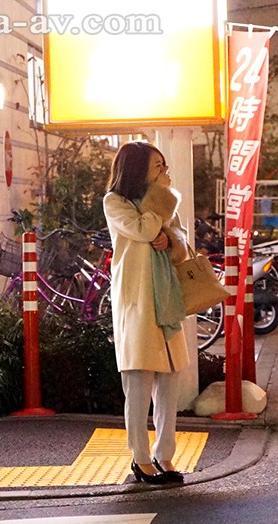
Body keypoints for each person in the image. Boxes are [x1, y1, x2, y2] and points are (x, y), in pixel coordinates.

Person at [103, 141, 190, 485]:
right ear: (138, 169)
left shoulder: (163, 202)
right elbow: (143, 229)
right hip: (137, 302)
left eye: (165, 165)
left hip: (165, 301)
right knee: (138, 384)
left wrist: (171, 241)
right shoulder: (115, 202)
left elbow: (181, 242)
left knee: (169, 381)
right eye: (158, 166)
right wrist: (161, 210)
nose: (165, 172)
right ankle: (140, 459)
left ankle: (164, 455)